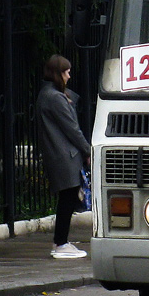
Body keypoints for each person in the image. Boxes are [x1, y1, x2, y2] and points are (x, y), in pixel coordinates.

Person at [37, 54, 91, 258]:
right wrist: (87, 150)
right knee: (67, 198)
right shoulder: (55, 98)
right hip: (65, 155)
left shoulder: (50, 95)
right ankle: (60, 243)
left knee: (67, 198)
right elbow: (72, 128)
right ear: (58, 73)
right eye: (66, 72)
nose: (69, 75)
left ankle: (62, 241)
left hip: (61, 154)